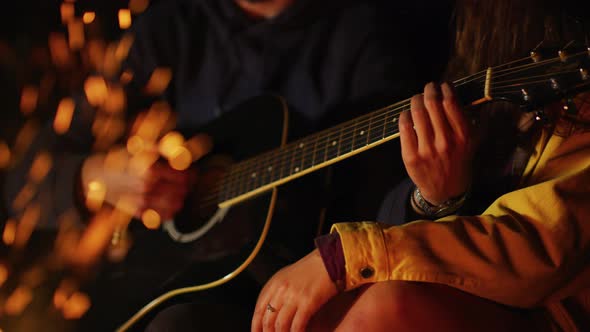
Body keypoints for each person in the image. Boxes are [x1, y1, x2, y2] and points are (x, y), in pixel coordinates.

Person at [2, 0, 425, 330]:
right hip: (148, 290)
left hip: (293, 293)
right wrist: (96, 176)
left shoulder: (364, 37)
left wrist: (429, 196)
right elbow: (23, 183)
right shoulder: (168, 31)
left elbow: (392, 198)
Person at [252, 0, 590, 331]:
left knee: (380, 309)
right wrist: (436, 198)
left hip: (543, 313)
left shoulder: (362, 32)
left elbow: (541, 248)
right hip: (474, 294)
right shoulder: (477, 40)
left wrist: (342, 258)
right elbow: (387, 207)